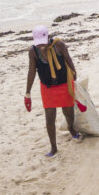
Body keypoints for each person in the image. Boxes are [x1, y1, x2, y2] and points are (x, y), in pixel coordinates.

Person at [24, 25, 82, 157]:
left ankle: (71, 128)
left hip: (63, 84)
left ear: (48, 37)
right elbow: (32, 71)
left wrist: (74, 77)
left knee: (69, 113)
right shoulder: (33, 51)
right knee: (50, 117)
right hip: (47, 87)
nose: (41, 46)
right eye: (38, 44)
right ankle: (53, 147)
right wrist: (27, 92)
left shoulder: (59, 45)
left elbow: (69, 61)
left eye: (43, 43)